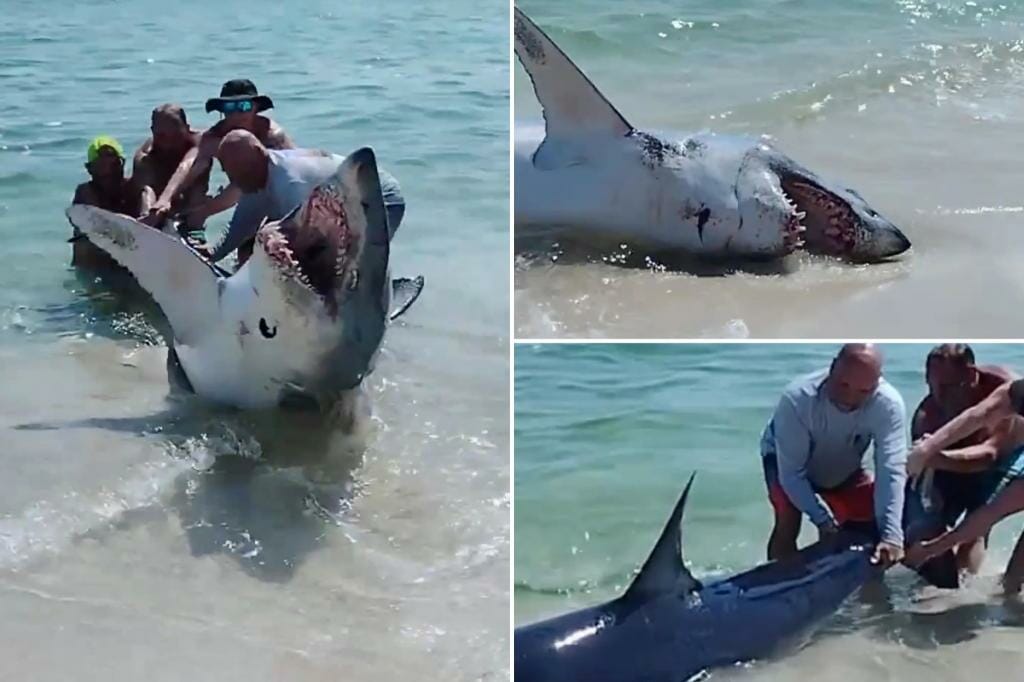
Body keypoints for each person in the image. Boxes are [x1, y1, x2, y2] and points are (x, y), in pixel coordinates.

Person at [760, 344, 906, 568]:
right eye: (843, 384)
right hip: (784, 458)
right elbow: (791, 474)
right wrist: (822, 520)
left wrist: (892, 536)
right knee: (789, 518)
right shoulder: (798, 398)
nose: (850, 397)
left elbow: (891, 470)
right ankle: (772, 582)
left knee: (867, 525)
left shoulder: (888, 405)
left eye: (864, 391)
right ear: (832, 369)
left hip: (843, 463)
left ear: (878, 383)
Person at [207, 130, 405, 265]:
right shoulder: (252, 183)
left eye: (239, 173)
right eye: (230, 174)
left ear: (261, 154)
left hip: (380, 198)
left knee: (350, 261)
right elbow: (238, 231)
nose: (236, 181)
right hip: (339, 210)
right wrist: (210, 255)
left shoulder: (290, 183)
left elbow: (308, 245)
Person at [906, 376, 1024, 592]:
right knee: (1011, 584)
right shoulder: (1016, 391)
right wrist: (928, 449)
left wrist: (930, 549)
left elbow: (993, 512)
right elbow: (978, 415)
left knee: (1013, 582)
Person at [143, 79, 296, 228]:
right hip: (253, 197)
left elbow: (249, 184)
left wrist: (204, 212)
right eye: (230, 107)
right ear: (222, 110)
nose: (237, 114)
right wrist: (165, 199)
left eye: (244, 106)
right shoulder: (215, 136)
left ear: (255, 108)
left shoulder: (272, 136)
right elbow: (191, 163)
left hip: (289, 198)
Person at [132, 104, 206, 233]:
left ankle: (193, 230)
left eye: (175, 135)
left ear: (187, 129)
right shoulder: (145, 156)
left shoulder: (200, 142)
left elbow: (187, 164)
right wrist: (150, 214)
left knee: (197, 186)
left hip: (190, 206)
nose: (168, 143)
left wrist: (165, 199)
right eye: (161, 136)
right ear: (152, 131)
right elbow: (147, 189)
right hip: (156, 207)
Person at [70, 136, 142, 269]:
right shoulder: (85, 192)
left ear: (123, 164)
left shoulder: (134, 189)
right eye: (101, 166)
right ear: (89, 169)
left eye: (114, 165)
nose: (108, 172)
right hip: (93, 268)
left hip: (128, 265)